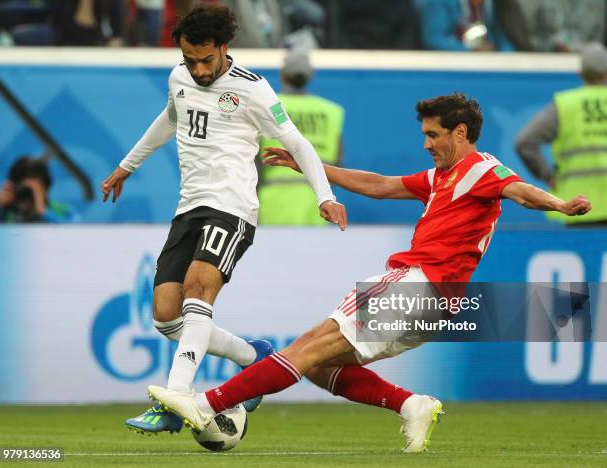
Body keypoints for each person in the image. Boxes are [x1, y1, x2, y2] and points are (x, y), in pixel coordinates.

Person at [147, 93, 591, 452]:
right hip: (434, 300)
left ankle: (204, 403)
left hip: (419, 285)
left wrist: (559, 203)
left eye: (433, 135)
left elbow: (519, 190)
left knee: (305, 349)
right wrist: (310, 165)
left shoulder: (482, 169)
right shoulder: (442, 177)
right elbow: (380, 185)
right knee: (318, 365)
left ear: (461, 133)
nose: (426, 144)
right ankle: (411, 404)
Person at [100, 3, 346, 434]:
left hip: (232, 207)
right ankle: (253, 357)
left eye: (206, 60)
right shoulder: (180, 76)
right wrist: (128, 165)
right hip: (188, 209)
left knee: (199, 289)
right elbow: (169, 118)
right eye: (190, 60)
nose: (197, 69)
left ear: (224, 48)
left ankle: (175, 399)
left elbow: (300, 144)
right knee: (165, 317)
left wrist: (324, 195)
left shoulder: (253, 90)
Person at [515, 42, 607, 226]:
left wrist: (547, 175)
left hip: (580, 204)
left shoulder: (565, 105)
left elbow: (525, 142)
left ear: (580, 74)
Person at [259, 49, 344, 225]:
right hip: (319, 205)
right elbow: (338, 163)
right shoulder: (330, 111)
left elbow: (254, 163)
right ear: (310, 76)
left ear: (283, 74)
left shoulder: (271, 107)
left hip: (274, 203)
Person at [0, 156, 79, 223]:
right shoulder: (0, 203)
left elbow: (76, 234)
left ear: (45, 188)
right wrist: (0, 209)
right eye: (24, 189)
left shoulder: (64, 211)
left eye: (35, 189)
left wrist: (43, 213)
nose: (28, 194)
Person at [418, 0, 512, 51]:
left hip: (490, 64)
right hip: (448, 65)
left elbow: (503, 38)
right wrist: (471, 51)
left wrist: (507, 59)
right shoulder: (438, 2)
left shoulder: (496, 3)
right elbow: (434, 40)